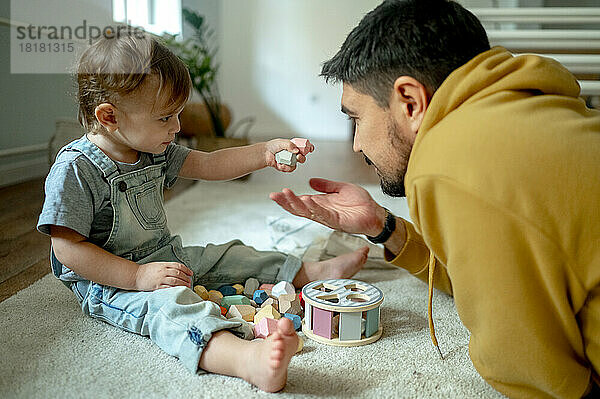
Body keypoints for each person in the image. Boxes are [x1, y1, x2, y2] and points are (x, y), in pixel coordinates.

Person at [269, 0, 600, 397]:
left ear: (410, 101)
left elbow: (532, 373)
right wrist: (383, 226)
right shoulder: (526, 111)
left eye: (355, 118)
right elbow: (481, 277)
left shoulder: (451, 162)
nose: (356, 145)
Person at [36, 32, 369, 393]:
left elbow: (211, 164)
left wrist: (265, 152)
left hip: (164, 257)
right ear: (109, 116)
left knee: (231, 254)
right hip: (111, 282)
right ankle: (246, 360)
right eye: (166, 117)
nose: (177, 127)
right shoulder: (75, 169)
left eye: (177, 114)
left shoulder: (152, 150)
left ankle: (309, 271)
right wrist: (136, 278)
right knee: (171, 308)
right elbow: (66, 250)